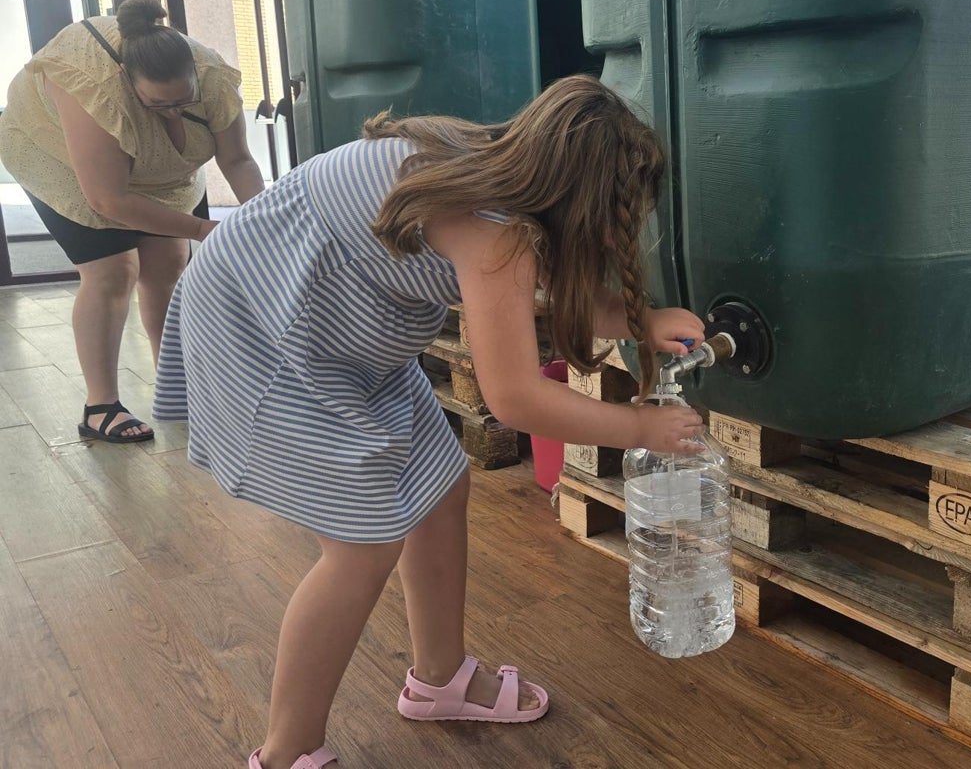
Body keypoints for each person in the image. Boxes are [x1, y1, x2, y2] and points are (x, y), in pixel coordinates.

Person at [151, 74, 707, 769]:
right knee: (362, 546)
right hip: (265, 334)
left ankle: (439, 680)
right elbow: (516, 400)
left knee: (440, 487)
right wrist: (640, 430)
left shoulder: (480, 161)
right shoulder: (490, 228)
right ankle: (288, 751)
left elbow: (531, 291)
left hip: (341, 335)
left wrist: (638, 320)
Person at [0, 0, 265, 443]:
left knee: (167, 266)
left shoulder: (214, 77)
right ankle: (100, 406)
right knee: (113, 271)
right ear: (126, 79)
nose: (176, 113)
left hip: (159, 170)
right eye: (160, 106)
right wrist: (204, 229)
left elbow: (237, 159)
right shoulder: (91, 83)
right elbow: (108, 199)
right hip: (61, 159)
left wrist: (263, 225)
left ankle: (177, 385)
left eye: (184, 101)